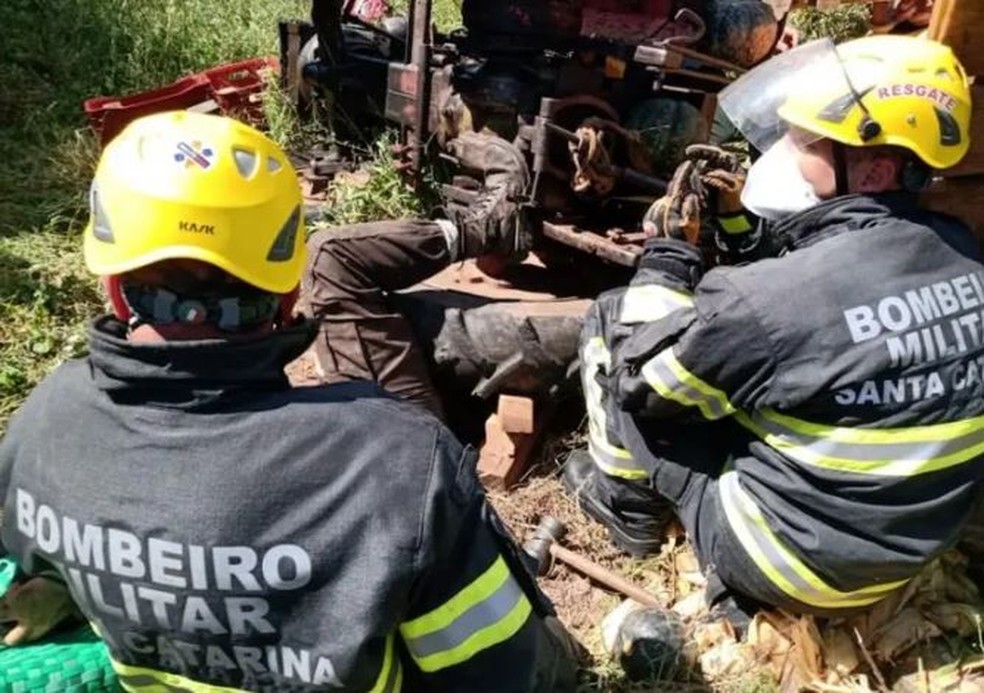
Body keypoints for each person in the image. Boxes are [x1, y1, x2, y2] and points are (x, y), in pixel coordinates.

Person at [0, 111, 578, 691]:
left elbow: (48, 561)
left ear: (113, 288)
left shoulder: (44, 426)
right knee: (552, 650)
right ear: (288, 293)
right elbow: (496, 675)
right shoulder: (397, 466)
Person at [563, 34, 983, 618]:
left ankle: (627, 508)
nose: (782, 151)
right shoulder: (964, 253)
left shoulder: (779, 301)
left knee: (617, 320)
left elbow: (643, 380)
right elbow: (821, 304)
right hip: (909, 544)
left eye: (803, 139)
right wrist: (735, 221)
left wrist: (665, 256)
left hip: (794, 565)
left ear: (875, 168)